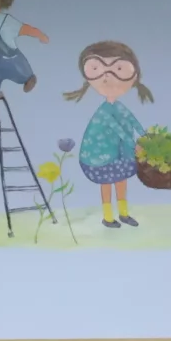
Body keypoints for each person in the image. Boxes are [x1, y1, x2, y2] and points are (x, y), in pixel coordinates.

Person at [65, 41, 153, 229]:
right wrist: (135, 145)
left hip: (121, 153)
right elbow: (117, 129)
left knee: (121, 181)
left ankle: (123, 213)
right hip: (101, 157)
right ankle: (108, 216)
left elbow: (131, 119)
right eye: (97, 68)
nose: (108, 76)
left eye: (119, 69)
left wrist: (146, 136)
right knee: (106, 184)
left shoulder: (119, 106)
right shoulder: (104, 111)